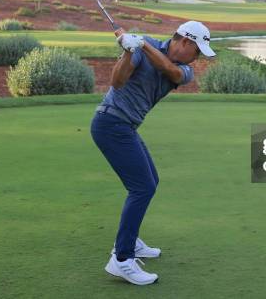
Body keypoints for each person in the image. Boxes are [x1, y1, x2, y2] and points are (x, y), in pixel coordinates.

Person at [91, 21, 215, 286]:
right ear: (185, 42)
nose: (197, 58)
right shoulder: (138, 44)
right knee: (142, 188)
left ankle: (130, 241)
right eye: (197, 51)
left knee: (150, 182)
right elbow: (117, 81)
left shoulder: (184, 70)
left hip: (125, 126)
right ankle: (122, 259)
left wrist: (140, 43)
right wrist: (127, 50)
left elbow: (168, 69)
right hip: (110, 123)